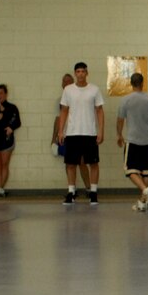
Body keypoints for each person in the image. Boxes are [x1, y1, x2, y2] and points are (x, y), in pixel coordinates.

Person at [116, 73, 148, 211]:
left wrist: (119, 135)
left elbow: (120, 120)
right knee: (146, 173)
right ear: (143, 83)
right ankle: (143, 203)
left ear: (131, 83)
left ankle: (145, 190)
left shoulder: (126, 100)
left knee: (130, 170)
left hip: (133, 141)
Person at [58, 62, 104, 206]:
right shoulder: (68, 90)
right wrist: (61, 131)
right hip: (72, 133)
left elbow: (100, 111)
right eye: (78, 71)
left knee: (93, 163)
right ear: (75, 74)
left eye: (83, 71)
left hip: (89, 133)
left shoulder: (95, 90)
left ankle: (93, 193)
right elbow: (64, 111)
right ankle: (71, 192)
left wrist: (100, 131)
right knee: (71, 164)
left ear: (87, 73)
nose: (80, 74)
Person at [51, 73, 91, 196]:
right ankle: (72, 189)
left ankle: (89, 189)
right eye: (65, 81)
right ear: (62, 84)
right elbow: (58, 120)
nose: (67, 83)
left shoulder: (81, 96)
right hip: (66, 135)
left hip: (79, 133)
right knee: (69, 163)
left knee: (82, 162)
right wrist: (54, 138)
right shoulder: (60, 100)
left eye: (69, 81)